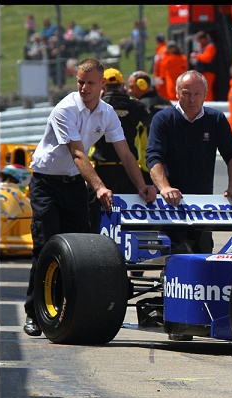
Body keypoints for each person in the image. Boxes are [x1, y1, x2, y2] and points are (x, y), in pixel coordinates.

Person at [22, 58, 157, 337]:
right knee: (46, 246)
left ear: (102, 85)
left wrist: (142, 185)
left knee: (76, 250)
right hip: (46, 183)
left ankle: (68, 308)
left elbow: (126, 154)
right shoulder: (66, 109)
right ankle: (34, 312)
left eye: (90, 83)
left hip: (73, 185)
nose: (84, 88)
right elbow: (78, 154)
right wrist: (98, 187)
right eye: (81, 82)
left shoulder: (107, 113)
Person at [145, 70, 232, 255]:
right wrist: (165, 188)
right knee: (171, 258)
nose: (192, 99)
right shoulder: (163, 119)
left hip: (203, 204)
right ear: (177, 93)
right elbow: (153, 157)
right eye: (186, 93)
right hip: (170, 205)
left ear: (205, 95)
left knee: (203, 255)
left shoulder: (215, 119)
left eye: (197, 94)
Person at [88, 68, 151, 233]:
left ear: (103, 87)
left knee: (98, 212)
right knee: (128, 213)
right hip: (128, 168)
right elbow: (145, 132)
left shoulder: (96, 106)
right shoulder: (137, 106)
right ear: (122, 86)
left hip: (103, 168)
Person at [127, 70, 173, 180]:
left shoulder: (139, 106)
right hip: (170, 159)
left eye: (132, 87)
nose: (129, 90)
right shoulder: (168, 103)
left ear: (141, 85)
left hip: (147, 162)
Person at [190, 31, 217, 102]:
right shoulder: (202, 47)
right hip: (201, 73)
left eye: (199, 40)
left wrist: (196, 55)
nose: (198, 42)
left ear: (203, 39)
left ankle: (209, 105)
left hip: (208, 72)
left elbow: (207, 58)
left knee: (206, 91)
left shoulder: (210, 46)